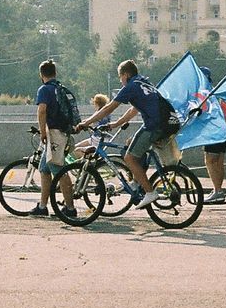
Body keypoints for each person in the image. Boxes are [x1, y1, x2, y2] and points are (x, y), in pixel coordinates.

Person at [76, 59, 181, 210]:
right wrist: (115, 124)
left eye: (120, 78)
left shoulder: (131, 86)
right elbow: (133, 110)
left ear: (125, 75)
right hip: (167, 123)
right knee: (130, 143)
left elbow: (108, 108)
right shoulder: (143, 83)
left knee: (129, 157)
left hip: (156, 125)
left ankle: (150, 192)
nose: (121, 81)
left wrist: (86, 122)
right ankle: (137, 181)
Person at [31, 60, 76, 218]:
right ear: (55, 73)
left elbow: (42, 111)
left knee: (59, 171)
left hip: (54, 134)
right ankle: (43, 206)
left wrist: (42, 131)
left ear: (41, 74)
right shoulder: (60, 88)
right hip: (61, 132)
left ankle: (70, 208)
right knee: (44, 169)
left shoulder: (44, 89)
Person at [198, 66, 226, 204]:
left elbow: (203, 112)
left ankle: (217, 191)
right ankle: (218, 190)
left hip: (214, 132)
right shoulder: (214, 91)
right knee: (219, 161)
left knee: (210, 161)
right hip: (224, 130)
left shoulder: (204, 93)